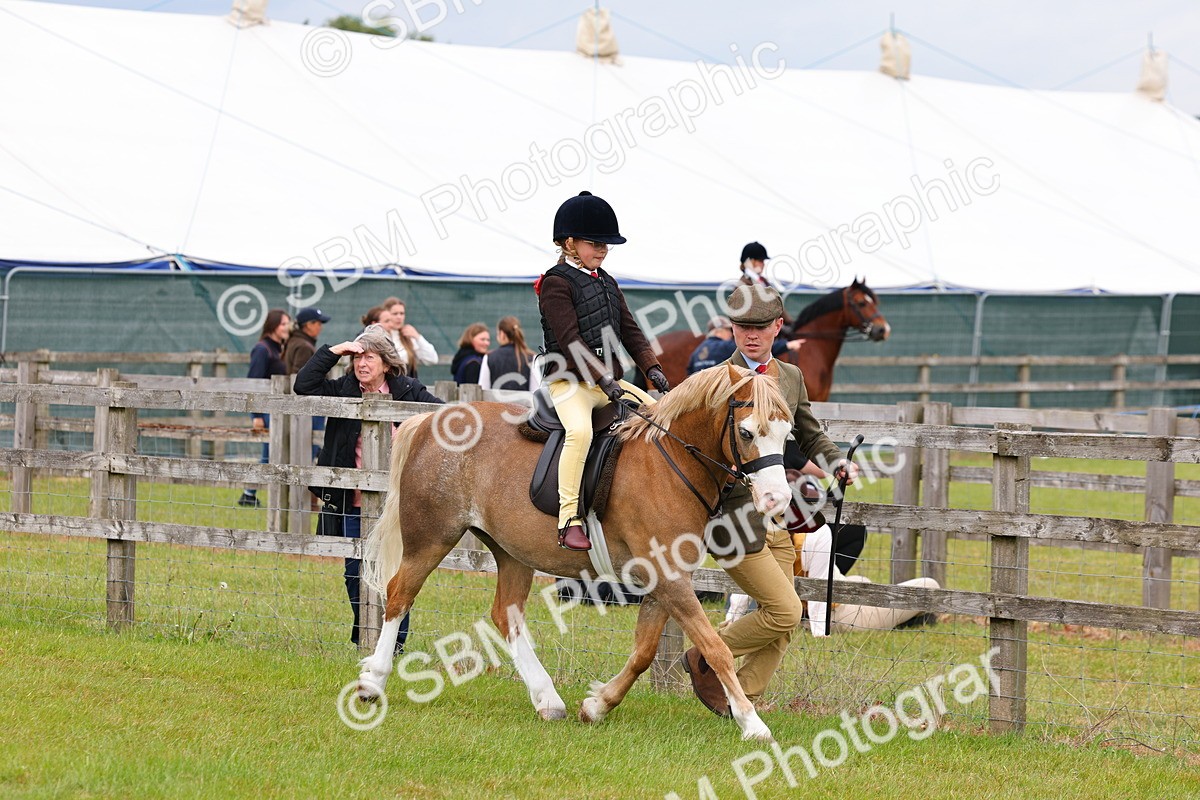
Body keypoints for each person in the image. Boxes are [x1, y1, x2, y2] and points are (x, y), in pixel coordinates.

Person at [681, 283, 858, 717]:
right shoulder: (714, 381)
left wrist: (835, 462)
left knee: (783, 624)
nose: (751, 335)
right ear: (732, 328)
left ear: (778, 326)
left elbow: (810, 433)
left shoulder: (791, 376)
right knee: (785, 610)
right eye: (742, 327)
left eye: (760, 327)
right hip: (734, 519)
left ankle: (739, 702)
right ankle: (704, 654)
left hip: (782, 515)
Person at [293, 325, 444, 648]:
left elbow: (443, 415)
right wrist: (335, 351)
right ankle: (366, 634)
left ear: (386, 364)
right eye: (357, 358)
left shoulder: (408, 390)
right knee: (354, 572)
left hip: (398, 501)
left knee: (396, 572)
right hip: (352, 498)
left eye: (369, 357)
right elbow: (303, 386)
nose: (362, 364)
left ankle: (395, 643)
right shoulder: (344, 388)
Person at [537, 190, 669, 552]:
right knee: (579, 433)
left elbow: (630, 330)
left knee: (661, 419)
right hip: (570, 382)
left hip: (609, 382)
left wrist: (652, 368)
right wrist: (604, 380)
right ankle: (568, 519)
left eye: (606, 245)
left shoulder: (607, 282)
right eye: (595, 243)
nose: (603, 250)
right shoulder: (555, 283)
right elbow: (570, 341)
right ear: (569, 242)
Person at [237, 309, 290, 508]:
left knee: (272, 453)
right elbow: (254, 382)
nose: (287, 328)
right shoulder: (262, 349)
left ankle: (250, 493)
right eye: (283, 324)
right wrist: (256, 415)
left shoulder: (279, 348)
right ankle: (248, 493)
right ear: (273, 325)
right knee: (269, 453)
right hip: (266, 410)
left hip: (278, 409)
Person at [282, 307, 331, 459]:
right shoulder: (304, 346)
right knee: (309, 448)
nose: (320, 327)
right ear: (308, 325)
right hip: (309, 406)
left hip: (303, 406)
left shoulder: (296, 342)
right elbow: (300, 376)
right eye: (318, 323)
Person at [687, 314, 803, 376]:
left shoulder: (697, 351)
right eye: (728, 330)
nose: (731, 334)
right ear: (719, 331)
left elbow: (689, 372)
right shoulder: (724, 346)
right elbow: (756, 348)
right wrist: (787, 345)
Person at [737, 241, 795, 333]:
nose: (763, 264)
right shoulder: (743, 285)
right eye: (760, 261)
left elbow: (777, 305)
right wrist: (779, 328)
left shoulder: (764, 281)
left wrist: (791, 324)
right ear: (751, 261)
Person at [381, 297, 439, 379]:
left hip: (407, 386)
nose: (399, 317)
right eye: (395, 314)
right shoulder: (381, 336)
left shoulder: (408, 336)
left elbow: (432, 359)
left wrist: (417, 336)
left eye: (402, 313)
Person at [480, 315, 534, 391]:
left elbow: (483, 388)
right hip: (523, 402)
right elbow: (536, 390)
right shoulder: (531, 357)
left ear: (502, 334)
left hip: (495, 402)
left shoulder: (489, 357)